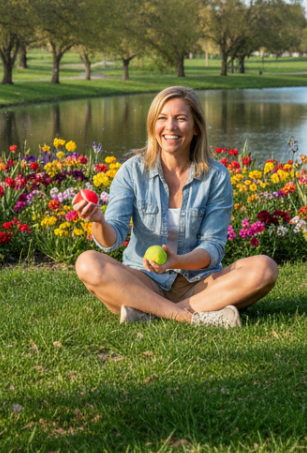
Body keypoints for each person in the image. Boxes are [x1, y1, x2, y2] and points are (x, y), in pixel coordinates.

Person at [72, 86, 277, 328]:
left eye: (181, 119)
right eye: (162, 118)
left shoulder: (216, 176)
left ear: (196, 126)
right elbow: (111, 240)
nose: (171, 127)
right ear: (153, 126)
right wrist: (99, 221)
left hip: (199, 284)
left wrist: (176, 261)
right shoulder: (132, 171)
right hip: (143, 280)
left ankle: (149, 312)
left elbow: (213, 247)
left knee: (265, 268)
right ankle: (191, 316)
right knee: (87, 263)